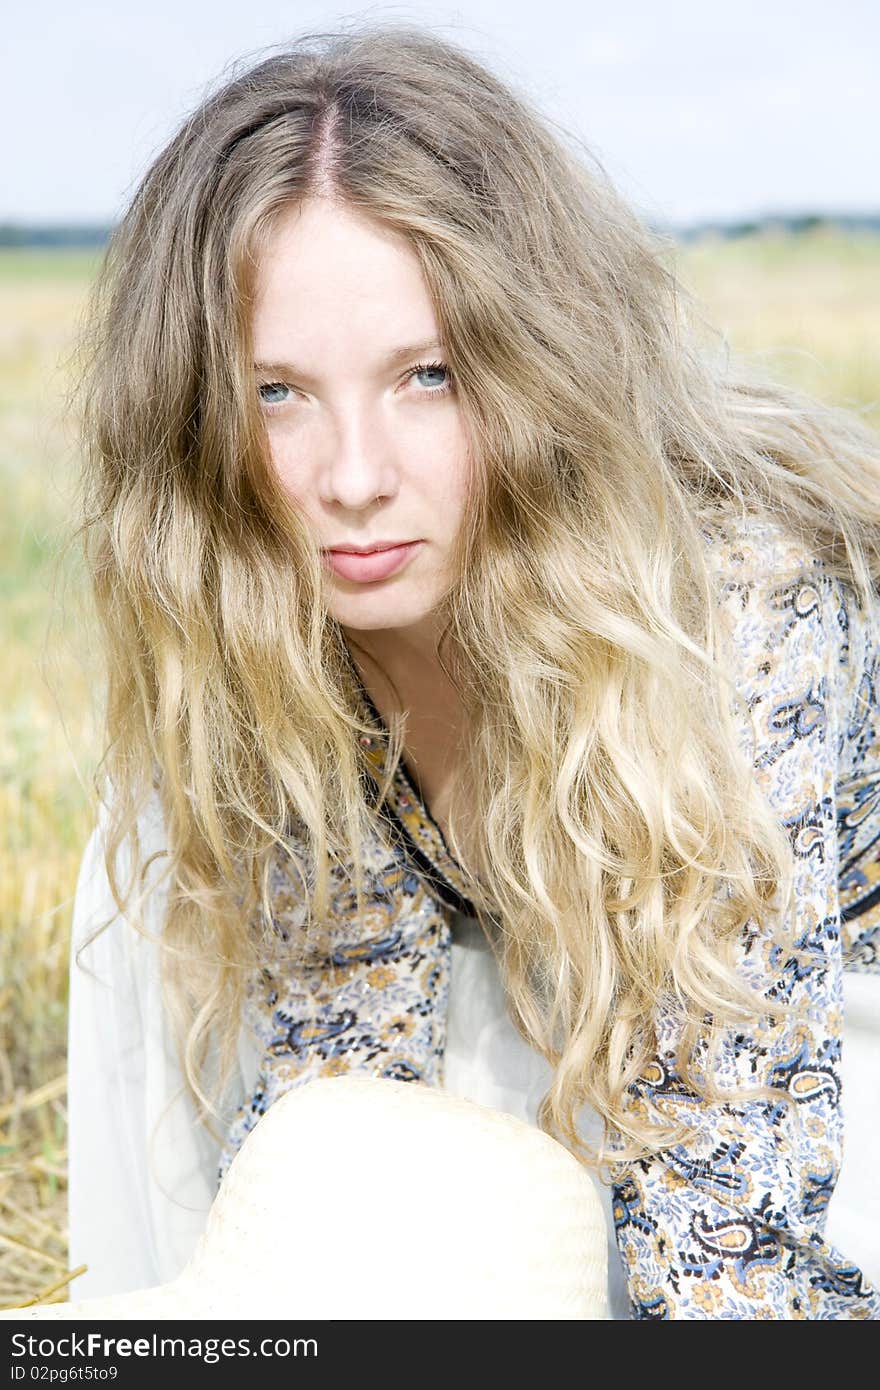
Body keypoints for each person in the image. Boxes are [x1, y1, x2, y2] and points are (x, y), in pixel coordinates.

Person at [67, 22, 880, 1319]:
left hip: (819, 1029)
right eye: (279, 394)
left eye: (426, 376)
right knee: (154, 825)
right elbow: (346, 1142)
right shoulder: (274, 615)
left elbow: (736, 1217)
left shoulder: (734, 594)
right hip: (542, 998)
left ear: (536, 363)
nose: (353, 476)